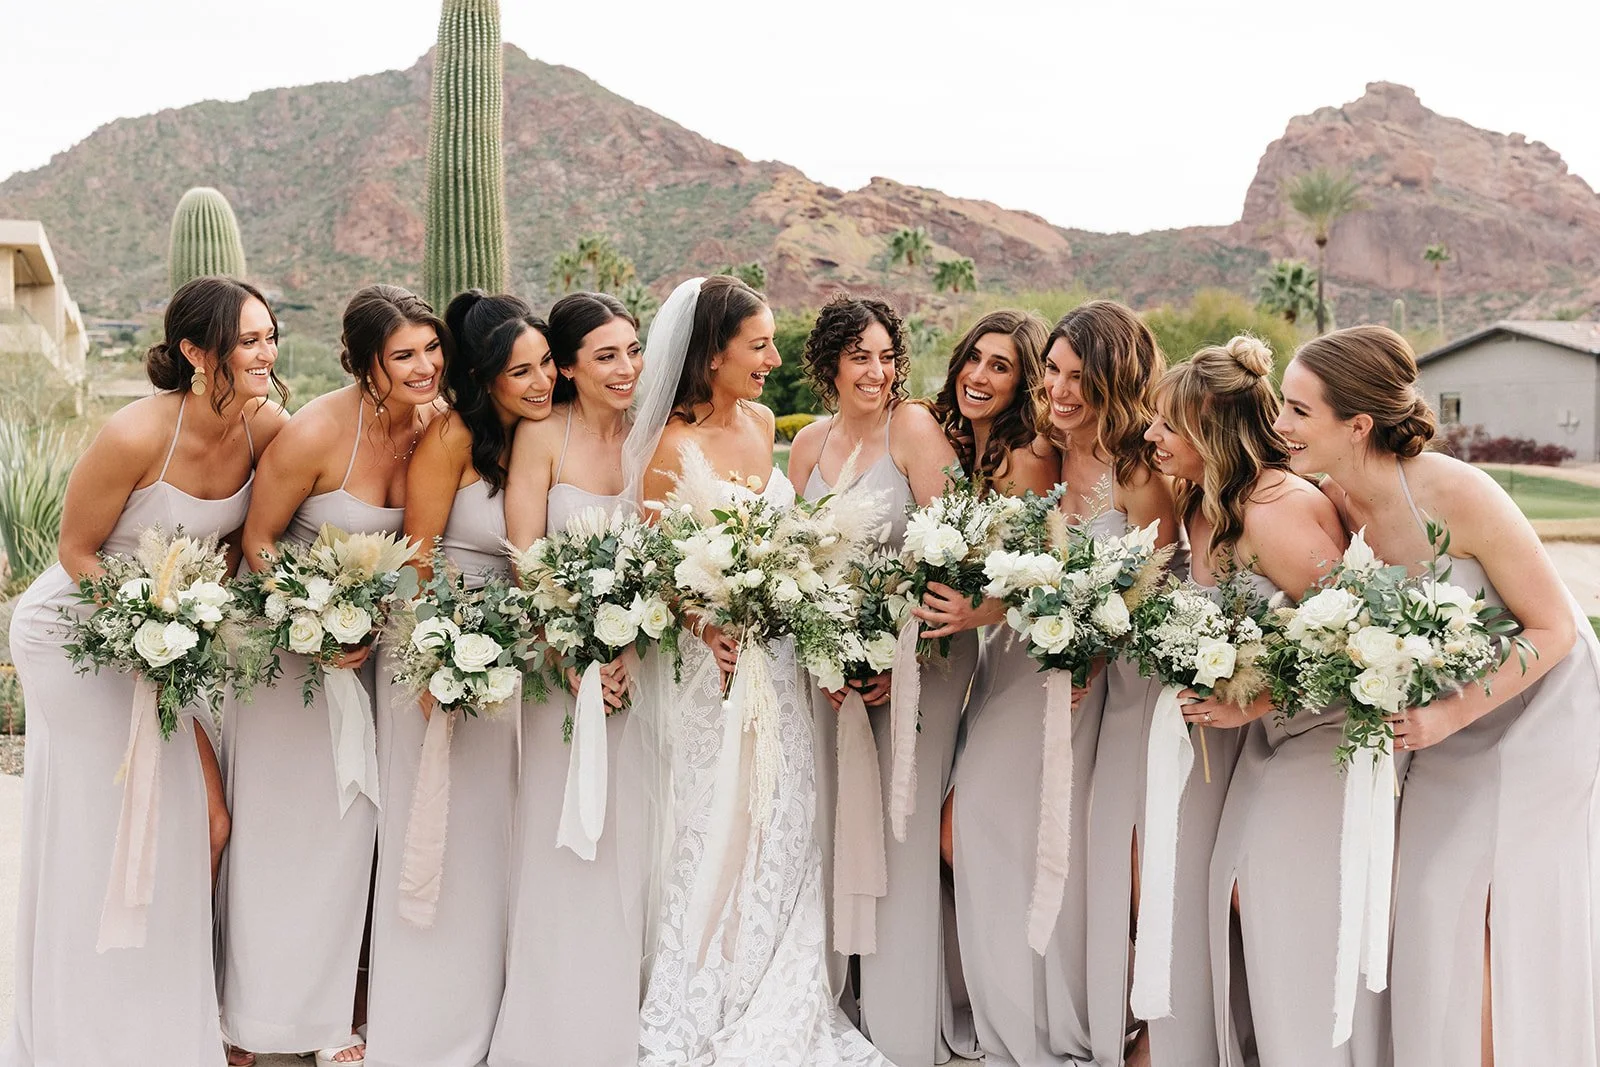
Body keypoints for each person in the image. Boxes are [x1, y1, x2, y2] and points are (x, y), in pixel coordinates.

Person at [1279, 325, 1600, 1067]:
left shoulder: (1456, 492)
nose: (1280, 423)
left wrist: (1451, 711)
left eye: (1297, 409)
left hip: (1539, 711)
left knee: (1491, 905)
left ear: (1357, 425)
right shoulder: (1331, 497)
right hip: (1443, 723)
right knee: (1425, 899)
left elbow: (1553, 628)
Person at [3, 276, 287, 1066]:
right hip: (77, 635)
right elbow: (76, 551)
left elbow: (236, 544)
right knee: (110, 826)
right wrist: (146, 627)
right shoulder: (134, 434)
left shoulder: (266, 426)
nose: (266, 352)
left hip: (169, 642)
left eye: (269, 335)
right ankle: (89, 1032)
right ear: (196, 351)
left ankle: (166, 1019)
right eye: (248, 340)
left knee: (206, 819)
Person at [632, 276, 893, 1066]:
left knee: (784, 816)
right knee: (715, 816)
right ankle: (707, 985)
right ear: (712, 355)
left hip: (781, 662)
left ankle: (780, 978)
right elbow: (657, 568)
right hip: (714, 668)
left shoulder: (759, 421)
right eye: (759, 345)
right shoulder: (669, 446)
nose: (774, 359)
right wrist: (704, 623)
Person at [1146, 336, 1388, 1066]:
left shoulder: (1277, 512)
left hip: (1328, 734)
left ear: (1211, 432)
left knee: (1267, 894)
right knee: (1237, 888)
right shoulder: (1205, 502)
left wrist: (1250, 703)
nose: (1152, 435)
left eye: (1168, 424)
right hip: (1269, 739)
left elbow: (1356, 638)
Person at [224, 283, 447, 1065]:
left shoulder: (433, 426)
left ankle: (328, 1018)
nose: (425, 366)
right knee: (283, 833)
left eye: (432, 348)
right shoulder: (316, 431)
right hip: (286, 658)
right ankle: (252, 1014)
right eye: (404, 355)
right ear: (364, 363)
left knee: (354, 835)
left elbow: (422, 548)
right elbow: (258, 540)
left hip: (368, 656)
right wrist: (309, 620)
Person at [362, 292, 551, 1067]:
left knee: (494, 837)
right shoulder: (450, 437)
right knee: (434, 828)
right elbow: (417, 556)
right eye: (521, 371)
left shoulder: (542, 434)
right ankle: (425, 1027)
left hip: (511, 657)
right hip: (433, 652)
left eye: (546, 363)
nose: (541, 381)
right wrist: (433, 658)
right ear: (484, 377)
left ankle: (492, 1015)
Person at [787, 293, 959, 1065]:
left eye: (887, 356)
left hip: (916, 667)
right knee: (837, 825)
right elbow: (793, 566)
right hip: (827, 673)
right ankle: (843, 1002)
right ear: (830, 363)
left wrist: (900, 655)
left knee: (901, 832)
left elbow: (954, 552)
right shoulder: (807, 444)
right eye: (861, 356)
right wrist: (824, 651)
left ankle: (901, 1022)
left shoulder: (912, 429)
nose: (878, 372)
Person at [491, 292, 644, 1067]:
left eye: (634, 350)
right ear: (571, 367)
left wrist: (636, 645)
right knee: (565, 839)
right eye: (606, 355)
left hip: (647, 666)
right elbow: (526, 555)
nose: (626, 368)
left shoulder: (655, 431)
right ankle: (557, 1024)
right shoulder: (542, 435)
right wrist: (575, 652)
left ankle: (635, 1007)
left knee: (639, 834)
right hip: (561, 666)